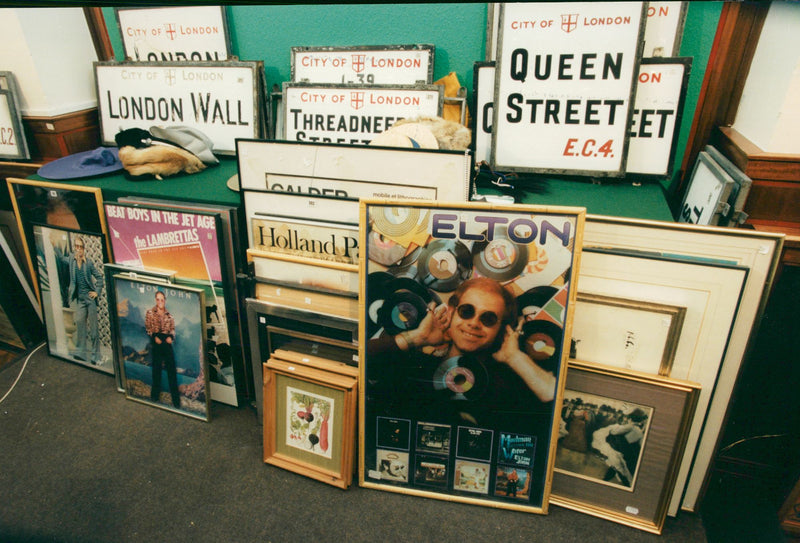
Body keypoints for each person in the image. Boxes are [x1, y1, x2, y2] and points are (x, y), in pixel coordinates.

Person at [367, 277, 557, 422]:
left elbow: (552, 405)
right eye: (467, 311)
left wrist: (514, 357)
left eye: (488, 319)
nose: (474, 323)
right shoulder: (417, 367)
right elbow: (358, 362)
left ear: (502, 327)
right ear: (451, 311)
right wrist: (419, 337)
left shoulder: (507, 388)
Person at [53, 234, 104, 364]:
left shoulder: (89, 263)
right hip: (80, 300)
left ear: (84, 249)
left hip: (89, 299)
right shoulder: (71, 260)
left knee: (93, 329)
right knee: (80, 324)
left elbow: (99, 277)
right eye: (76, 246)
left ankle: (95, 356)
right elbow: (60, 258)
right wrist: (54, 244)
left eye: (80, 247)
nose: (78, 249)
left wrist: (96, 292)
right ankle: (80, 353)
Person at [145, 290, 181, 408]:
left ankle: (176, 401)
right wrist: (154, 336)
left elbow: (173, 330)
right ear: (156, 300)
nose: (160, 302)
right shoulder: (150, 313)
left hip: (167, 342)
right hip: (156, 342)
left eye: (162, 299)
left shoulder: (170, 316)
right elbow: (148, 328)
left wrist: (171, 337)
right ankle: (155, 396)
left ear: (165, 300)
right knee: (156, 369)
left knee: (171, 370)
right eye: (158, 299)